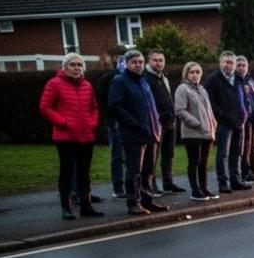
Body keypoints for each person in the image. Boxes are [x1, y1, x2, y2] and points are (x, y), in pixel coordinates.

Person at [39, 52, 103, 219]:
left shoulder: (87, 85)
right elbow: (45, 107)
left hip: (86, 136)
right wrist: (62, 122)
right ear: (65, 67)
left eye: (79, 65)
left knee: (84, 173)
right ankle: (66, 207)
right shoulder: (54, 83)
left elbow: (94, 108)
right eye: (72, 65)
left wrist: (92, 123)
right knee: (66, 173)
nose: (76, 68)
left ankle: (86, 206)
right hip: (65, 136)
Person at [106, 50, 169, 215]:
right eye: (134, 62)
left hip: (150, 132)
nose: (138, 65)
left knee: (148, 171)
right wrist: (134, 123)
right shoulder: (120, 81)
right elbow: (114, 106)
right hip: (133, 134)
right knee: (134, 171)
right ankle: (133, 203)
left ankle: (147, 200)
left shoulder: (143, 81)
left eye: (140, 62)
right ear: (126, 64)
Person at [204, 51, 250, 193]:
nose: (228, 65)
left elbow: (244, 99)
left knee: (237, 152)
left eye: (231, 62)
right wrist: (224, 116)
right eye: (225, 62)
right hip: (223, 123)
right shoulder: (213, 80)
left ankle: (236, 180)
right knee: (223, 154)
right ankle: (223, 183)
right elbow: (210, 103)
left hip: (239, 123)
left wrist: (244, 113)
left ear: (234, 65)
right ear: (220, 63)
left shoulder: (238, 79)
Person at [174, 61, 218, 201]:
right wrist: (196, 123)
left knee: (204, 162)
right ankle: (195, 190)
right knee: (195, 161)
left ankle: (204, 188)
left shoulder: (203, 90)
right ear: (186, 74)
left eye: (197, 72)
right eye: (192, 72)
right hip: (192, 132)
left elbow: (209, 109)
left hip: (207, 132)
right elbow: (180, 110)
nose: (195, 75)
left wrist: (213, 123)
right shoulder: (182, 89)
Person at [145, 49, 184, 194]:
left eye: (161, 60)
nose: (158, 63)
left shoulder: (163, 77)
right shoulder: (145, 78)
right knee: (152, 157)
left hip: (170, 121)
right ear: (149, 61)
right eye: (155, 60)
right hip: (156, 123)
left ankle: (168, 183)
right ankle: (151, 185)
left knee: (168, 154)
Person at [95, 53, 126, 198]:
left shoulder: (135, 78)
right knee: (118, 155)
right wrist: (109, 119)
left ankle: (131, 186)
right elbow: (101, 101)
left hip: (131, 123)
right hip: (115, 123)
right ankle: (118, 187)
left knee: (131, 156)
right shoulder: (108, 78)